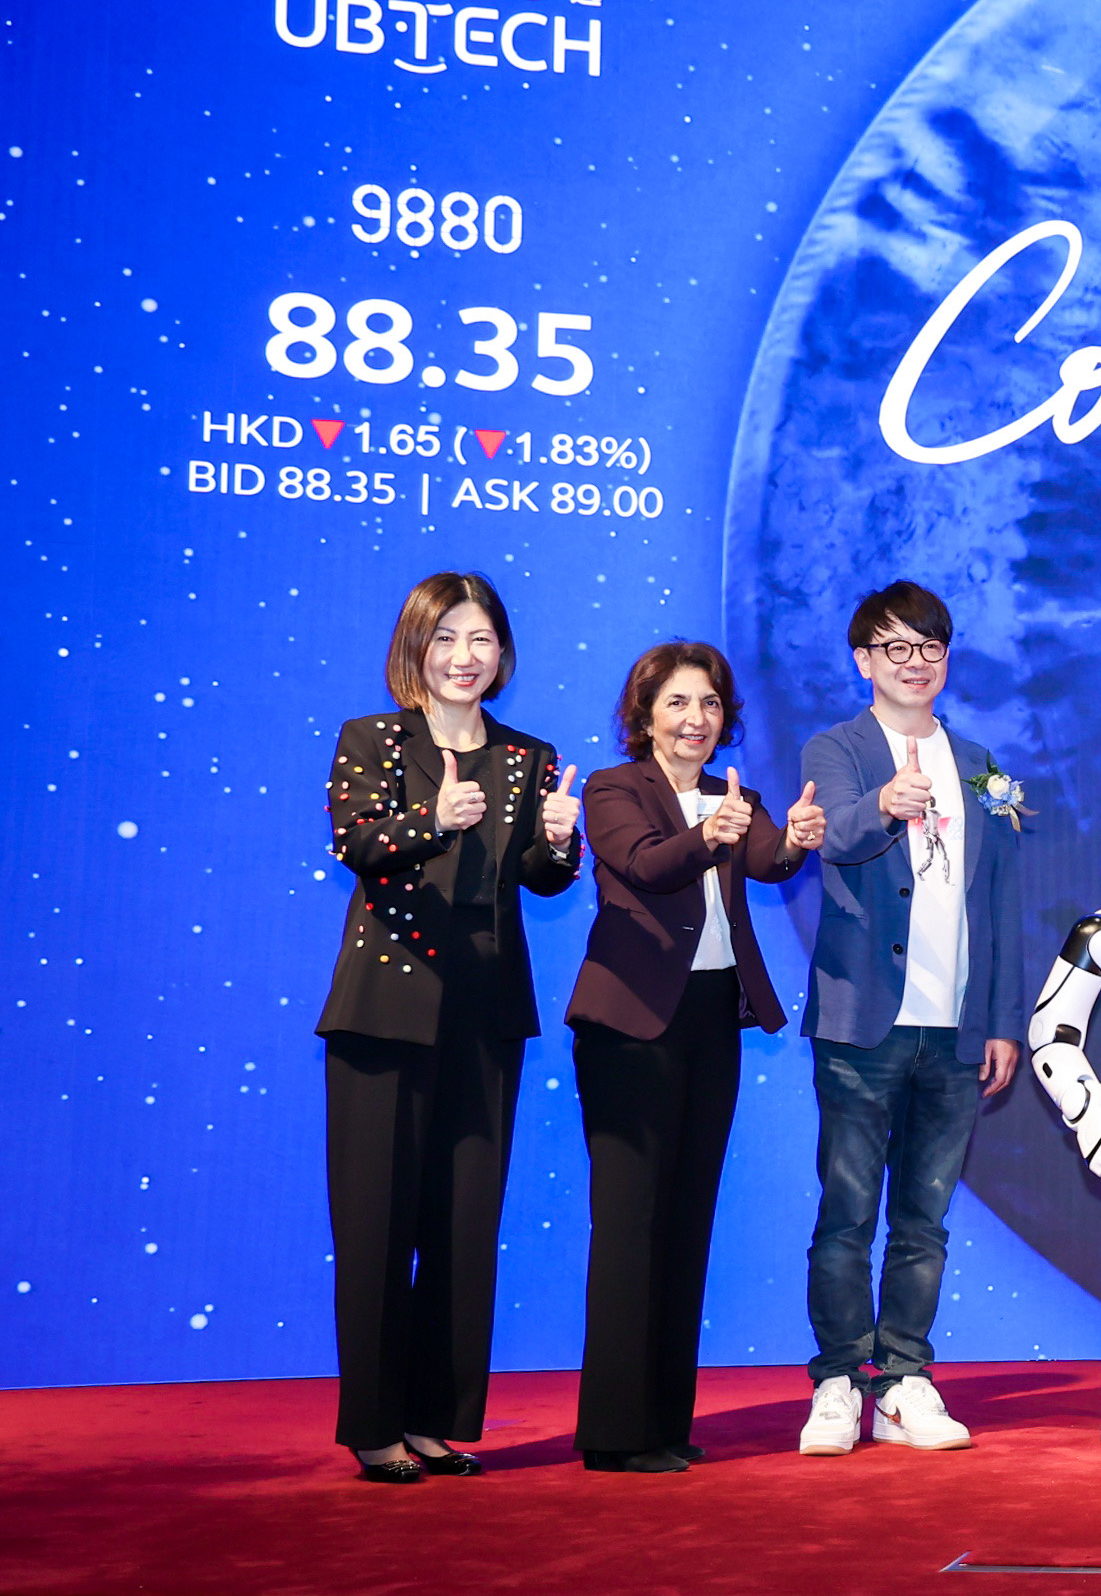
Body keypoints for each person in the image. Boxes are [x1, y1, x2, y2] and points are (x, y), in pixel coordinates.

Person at [316, 573, 582, 1483]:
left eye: (481, 640)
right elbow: (356, 841)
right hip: (385, 1010)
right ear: (416, 648)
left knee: (465, 1224)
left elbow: (539, 876)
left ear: (503, 653)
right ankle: (374, 1425)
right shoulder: (373, 739)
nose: (465, 657)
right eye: (446, 639)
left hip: (485, 1009)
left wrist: (560, 840)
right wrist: (432, 819)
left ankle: (436, 1419)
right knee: (377, 1223)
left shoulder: (528, 755)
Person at [565, 644, 823, 1473]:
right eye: (677, 702)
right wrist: (708, 832)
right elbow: (645, 863)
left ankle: (665, 1422)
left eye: (709, 703)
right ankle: (615, 1432)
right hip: (629, 1025)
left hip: (713, 1017)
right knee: (630, 1222)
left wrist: (797, 841)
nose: (695, 719)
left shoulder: (732, 794)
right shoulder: (614, 789)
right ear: (644, 715)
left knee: (686, 1220)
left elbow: (767, 859)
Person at [794, 582, 1026, 1456]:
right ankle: (838, 1380)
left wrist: (1003, 1019)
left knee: (924, 1219)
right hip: (862, 1021)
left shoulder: (981, 764)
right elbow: (833, 837)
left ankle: (903, 1379)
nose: (915, 662)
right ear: (864, 660)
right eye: (895, 647)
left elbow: (1001, 900)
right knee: (848, 1213)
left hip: (955, 1027)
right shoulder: (837, 746)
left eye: (929, 646)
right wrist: (882, 804)